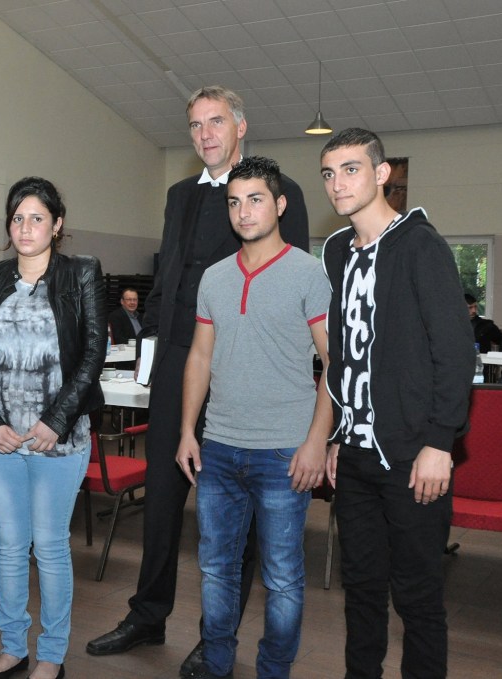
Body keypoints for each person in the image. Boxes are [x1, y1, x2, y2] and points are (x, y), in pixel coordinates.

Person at [85, 86, 309, 677]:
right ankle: (147, 613)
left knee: (235, 517)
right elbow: (169, 276)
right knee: (161, 501)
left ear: (239, 126)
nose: (205, 134)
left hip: (235, 371)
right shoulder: (180, 194)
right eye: (194, 125)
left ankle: (218, 638)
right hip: (176, 367)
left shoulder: (275, 195)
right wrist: (151, 343)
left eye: (216, 122)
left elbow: (285, 285)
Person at [319, 128, 472, 679]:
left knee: (417, 597)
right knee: (361, 593)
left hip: (413, 456)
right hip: (356, 457)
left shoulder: (420, 244)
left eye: (351, 169)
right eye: (330, 173)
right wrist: (337, 433)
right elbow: (345, 355)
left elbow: (455, 354)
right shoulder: (336, 251)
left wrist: (440, 441)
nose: (338, 184)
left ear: (382, 174)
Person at [175, 157, 331, 679]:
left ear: (280, 204)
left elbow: (335, 365)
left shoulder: (311, 273)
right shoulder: (215, 278)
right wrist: (186, 433)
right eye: (235, 201)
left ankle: (274, 671)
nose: (244, 211)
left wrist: (316, 442)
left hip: (284, 452)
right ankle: (217, 665)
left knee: (283, 577)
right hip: (218, 447)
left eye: (256, 199)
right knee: (216, 571)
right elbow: (199, 357)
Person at [0, 177, 107, 679]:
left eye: (37, 218)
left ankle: (50, 654)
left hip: (58, 441)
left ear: (57, 224)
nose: (26, 228)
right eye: (18, 218)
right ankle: (12, 646)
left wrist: (55, 420)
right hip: (0, 440)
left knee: (48, 546)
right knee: (7, 544)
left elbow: (92, 355)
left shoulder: (82, 274)